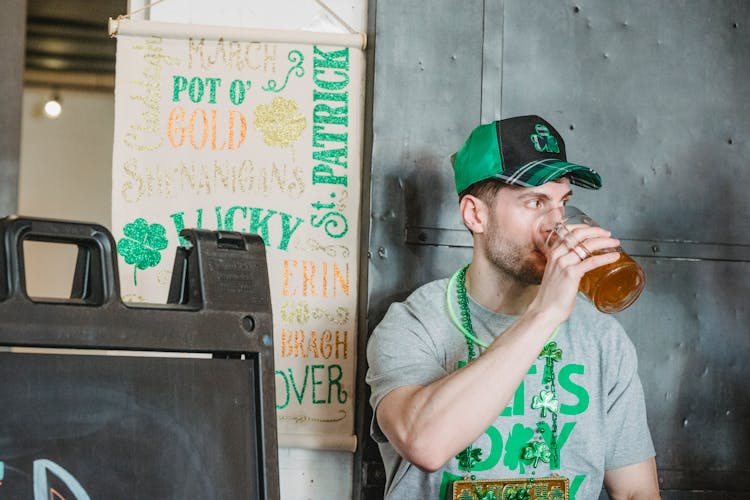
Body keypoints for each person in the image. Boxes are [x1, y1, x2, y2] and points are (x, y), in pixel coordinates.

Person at [366, 115, 660, 500]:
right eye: (535, 201)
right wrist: (546, 313)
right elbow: (425, 444)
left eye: (563, 203)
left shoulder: (601, 337)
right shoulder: (413, 323)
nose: (556, 223)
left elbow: (637, 491)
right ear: (476, 215)